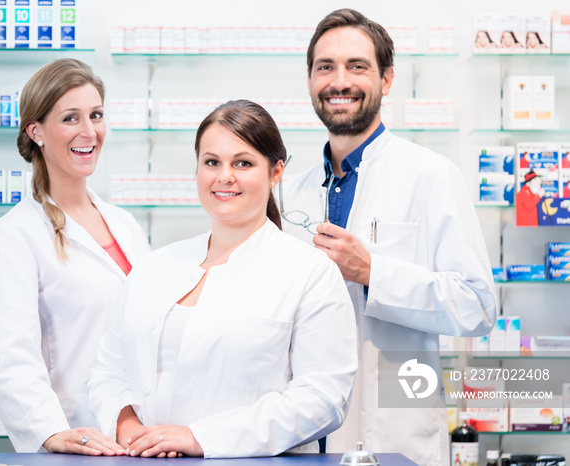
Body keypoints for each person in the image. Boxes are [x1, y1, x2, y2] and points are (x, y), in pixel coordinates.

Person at [280, 9, 496, 465]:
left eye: (357, 66)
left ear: (388, 78)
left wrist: (373, 272)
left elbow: (477, 306)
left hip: (394, 434)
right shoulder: (289, 190)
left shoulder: (431, 176)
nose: (340, 81)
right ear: (309, 80)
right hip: (298, 436)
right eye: (325, 67)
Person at [87, 99, 358, 458]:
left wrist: (201, 438)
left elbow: (323, 399)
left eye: (242, 163)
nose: (223, 176)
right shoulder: (155, 267)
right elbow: (108, 368)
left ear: (276, 172)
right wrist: (128, 428)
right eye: (211, 162)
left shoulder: (308, 271)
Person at [0, 58, 150, 455]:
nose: (89, 132)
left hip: (140, 436)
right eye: (71, 118)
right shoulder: (12, 237)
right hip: (78, 437)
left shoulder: (125, 224)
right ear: (35, 131)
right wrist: (50, 431)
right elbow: (10, 355)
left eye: (96, 115)